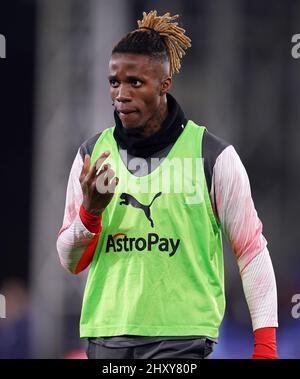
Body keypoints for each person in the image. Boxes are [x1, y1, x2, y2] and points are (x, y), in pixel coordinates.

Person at [57, 10, 278, 359]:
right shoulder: (91, 155)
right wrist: (90, 214)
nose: (121, 94)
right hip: (106, 337)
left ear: (164, 84)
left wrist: (265, 346)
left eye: (135, 82)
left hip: (181, 340)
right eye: (114, 82)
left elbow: (252, 252)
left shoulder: (213, 157)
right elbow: (70, 261)